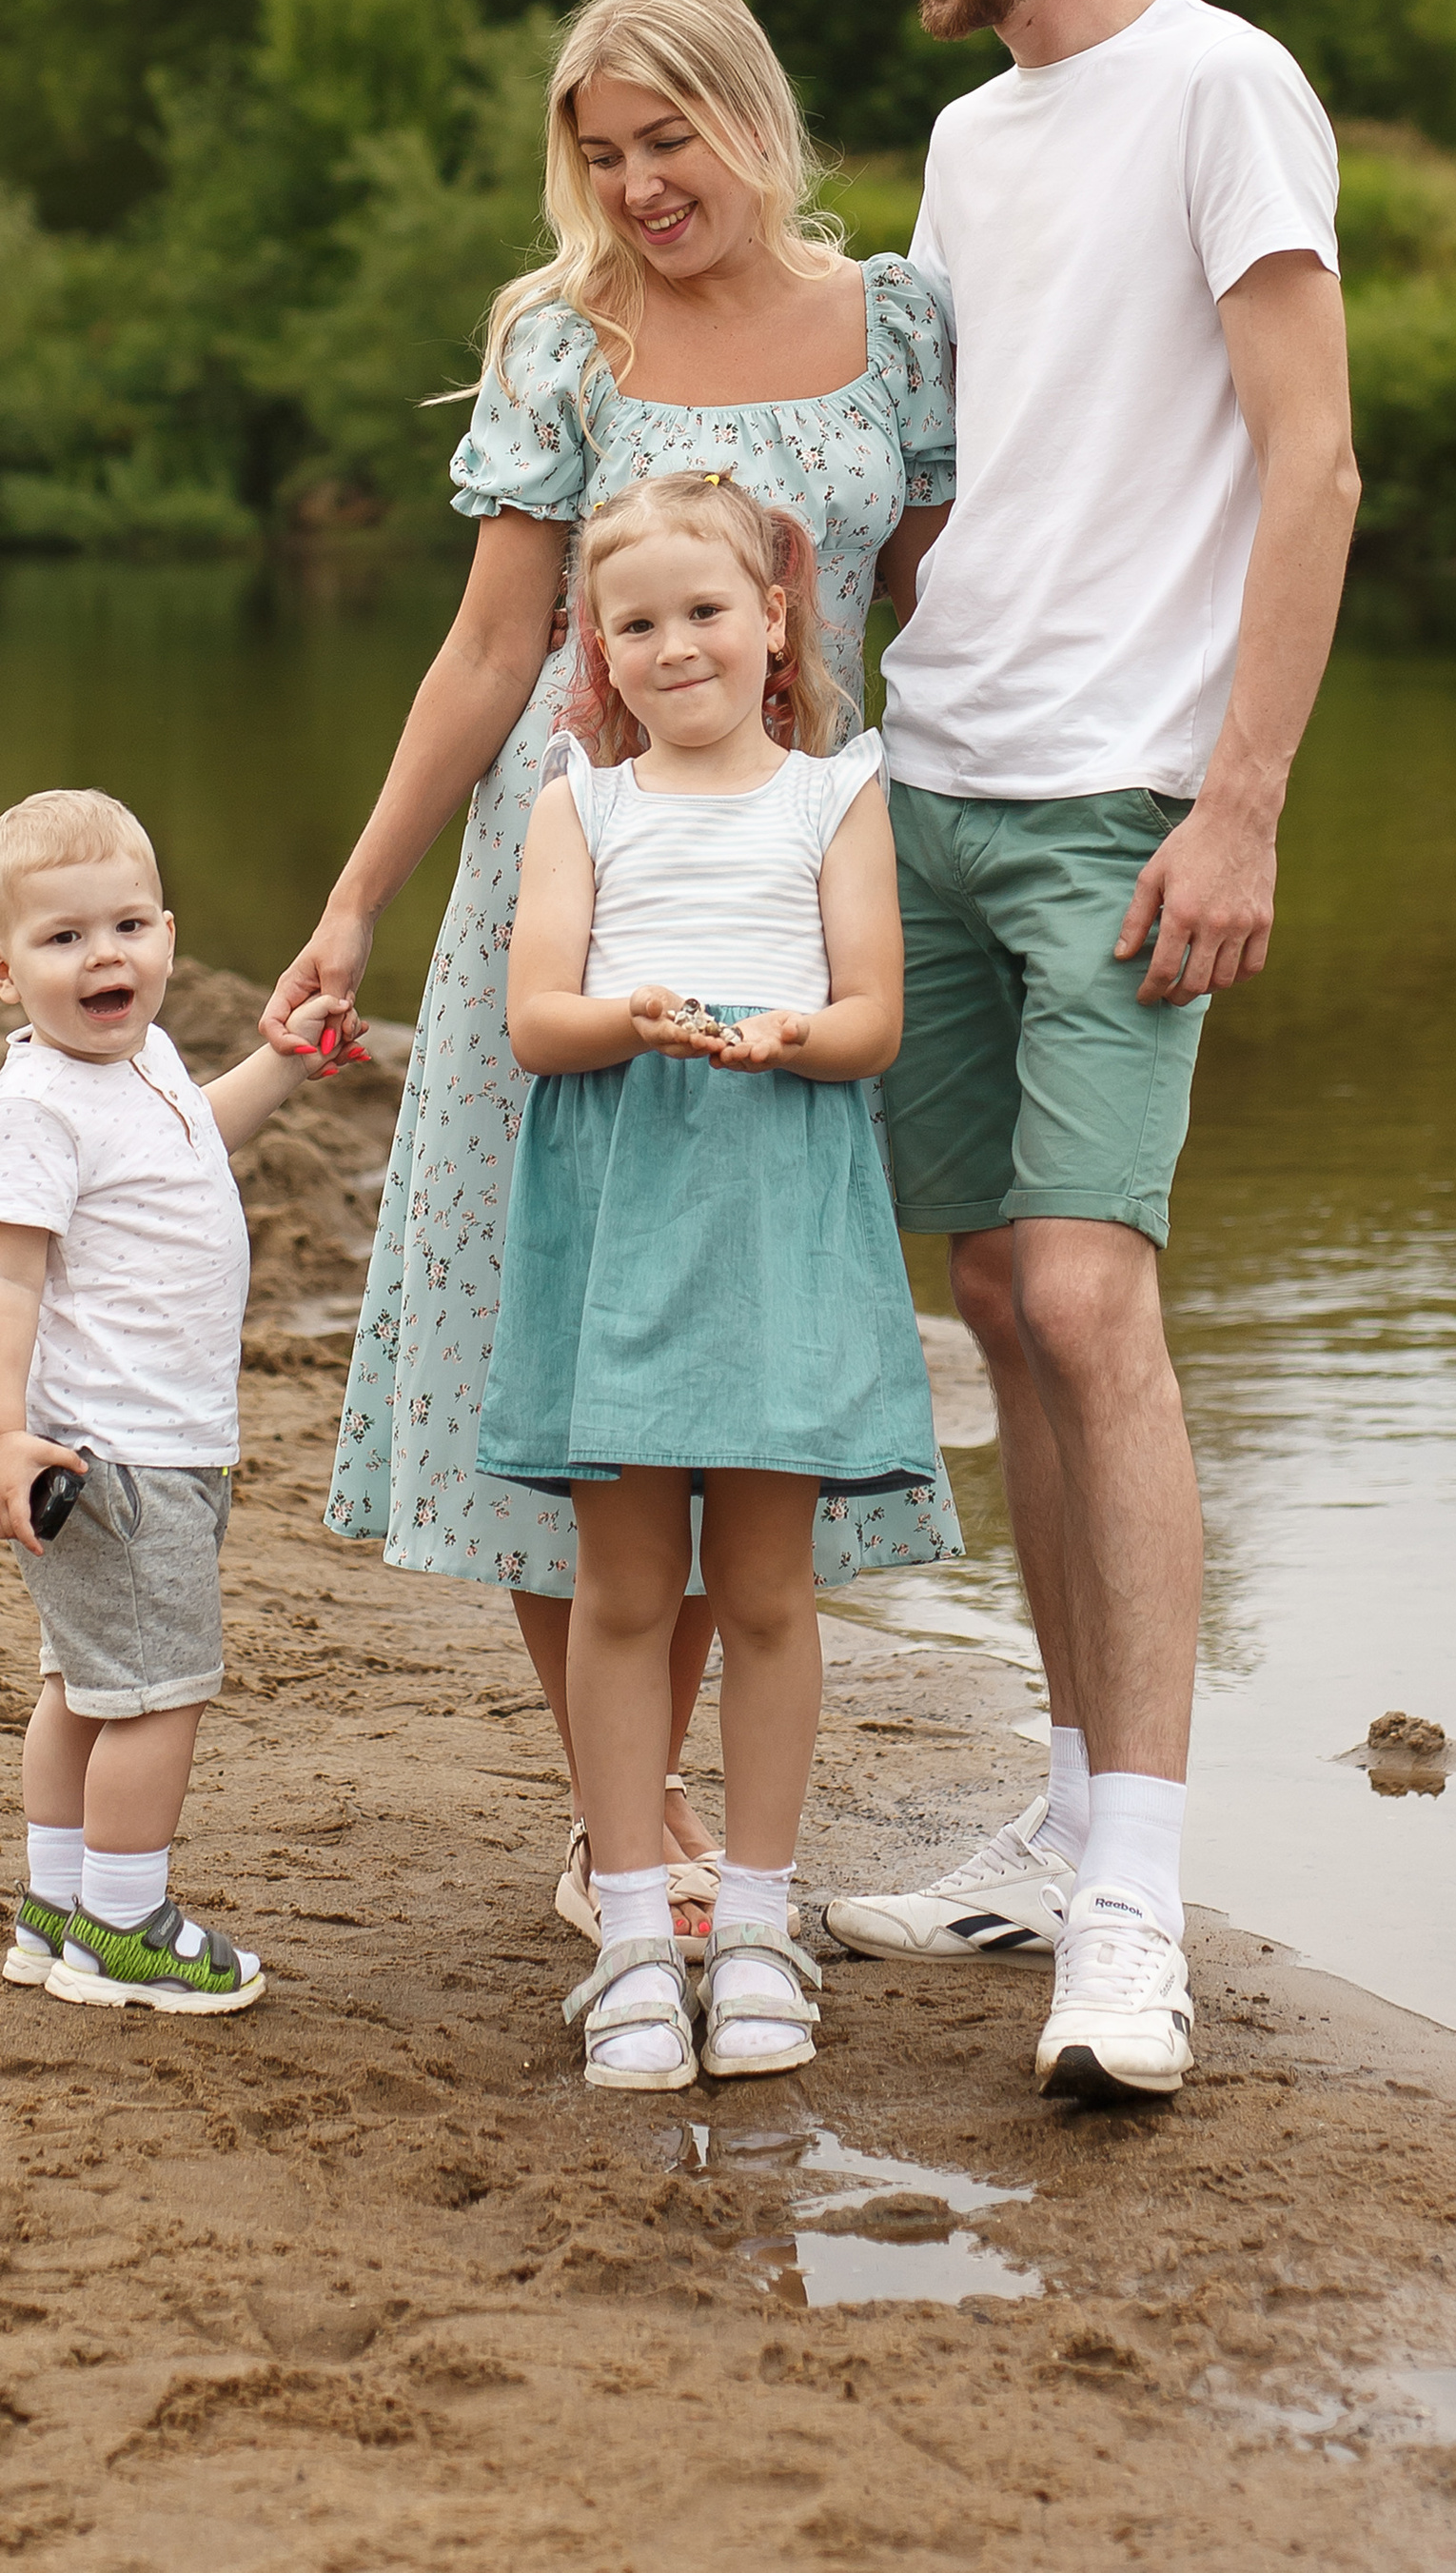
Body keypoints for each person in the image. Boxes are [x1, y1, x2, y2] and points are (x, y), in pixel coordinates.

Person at [261, 0, 956, 1945]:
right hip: (565, 886)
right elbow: (493, 651)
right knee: (550, 1342)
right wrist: (352, 900)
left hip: (792, 900)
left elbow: (937, 608)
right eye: (602, 153)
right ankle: (618, 1821)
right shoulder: (562, 345)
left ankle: (728, 1833)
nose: (640, 183)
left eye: (667, 137)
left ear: (751, 114)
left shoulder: (888, 326)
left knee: (744, 1362)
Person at [823, 0, 1361, 2109]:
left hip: (1115, 794)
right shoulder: (961, 134)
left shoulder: (1218, 85)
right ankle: (1054, 1814)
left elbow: (1310, 457)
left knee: (1083, 1282)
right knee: (993, 1309)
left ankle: (1133, 1901)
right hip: (929, 777)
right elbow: (946, 464)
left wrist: (1238, 801)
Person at [478, 473, 948, 2088]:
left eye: (704, 612)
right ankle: (627, 1925)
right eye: (636, 623)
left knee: (762, 1591)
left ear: (773, 626)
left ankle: (754, 1919)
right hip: (622, 1209)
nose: (674, 644)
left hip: (774, 1203)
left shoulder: (836, 793)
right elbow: (539, 1016)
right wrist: (640, 1015)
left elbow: (874, 1009)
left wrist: (797, 1035)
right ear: (596, 656)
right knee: (623, 1591)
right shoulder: (578, 805)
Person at [0, 784, 346, 2015]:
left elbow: (196, 1134)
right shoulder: (36, 1105)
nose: (101, 957)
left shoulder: (146, 1061)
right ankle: (124, 1926)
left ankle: (56, 1903)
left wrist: (280, 1067)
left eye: (125, 926)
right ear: (0, 968)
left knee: (85, 1682)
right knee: (158, 1692)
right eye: (61, 938)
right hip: (114, 1452)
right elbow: (3, 1278)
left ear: (169, 937)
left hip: (161, 1446)